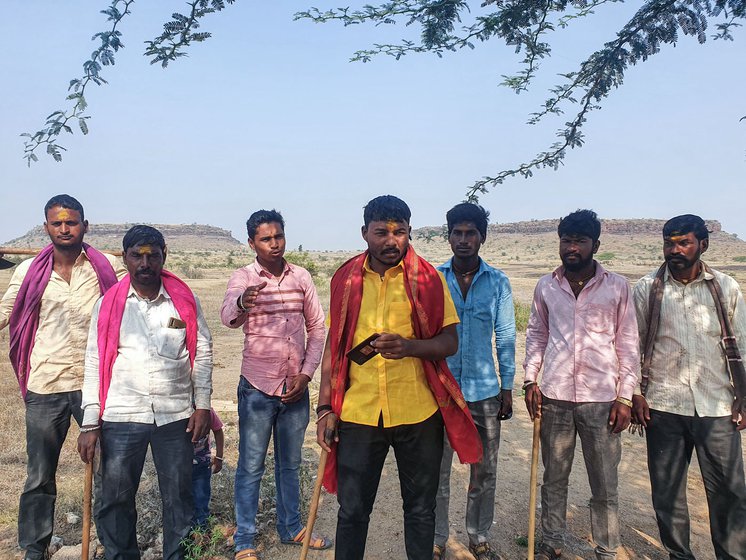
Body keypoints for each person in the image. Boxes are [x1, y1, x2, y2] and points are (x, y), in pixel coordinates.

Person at [316, 195, 482, 560]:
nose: (391, 241)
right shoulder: (345, 279)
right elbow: (335, 346)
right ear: (364, 233)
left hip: (418, 412)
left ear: (410, 232)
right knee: (353, 511)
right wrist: (325, 407)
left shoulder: (430, 279)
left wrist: (409, 347)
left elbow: (449, 342)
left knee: (421, 511)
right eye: (381, 233)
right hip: (359, 414)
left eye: (400, 232)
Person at [77, 225, 213, 560]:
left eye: (153, 255)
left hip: (176, 415)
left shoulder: (183, 301)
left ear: (164, 255)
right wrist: (90, 423)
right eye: (137, 255)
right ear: (125, 258)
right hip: (122, 415)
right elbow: (94, 361)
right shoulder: (109, 305)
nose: (145, 262)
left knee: (179, 498)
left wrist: (203, 406)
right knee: (115, 499)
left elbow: (204, 351)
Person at [0, 194, 123, 560]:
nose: (65, 228)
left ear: (85, 225)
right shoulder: (27, 272)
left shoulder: (107, 267)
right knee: (39, 476)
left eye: (72, 222)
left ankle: (109, 542)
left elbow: (134, 297)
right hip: (46, 383)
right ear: (46, 227)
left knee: (106, 470)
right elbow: (7, 311)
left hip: (95, 385)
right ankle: (34, 548)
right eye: (57, 223)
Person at [523, 209, 639, 560]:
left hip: (602, 400)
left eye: (579, 241)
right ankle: (551, 543)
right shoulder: (546, 286)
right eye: (566, 240)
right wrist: (530, 380)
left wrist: (626, 397)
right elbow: (537, 334)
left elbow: (628, 343)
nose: (572, 248)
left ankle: (606, 548)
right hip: (555, 396)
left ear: (595, 245)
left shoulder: (618, 286)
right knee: (554, 478)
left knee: (604, 483)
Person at [632, 214, 746, 560]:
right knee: (667, 494)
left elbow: (741, 344)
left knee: (729, 492)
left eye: (684, 242)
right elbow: (632, 345)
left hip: (717, 406)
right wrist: (636, 392)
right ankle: (678, 555)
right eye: (669, 243)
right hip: (664, 404)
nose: (675, 250)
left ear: (703, 245)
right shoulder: (647, 288)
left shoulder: (725, 287)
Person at [220, 210, 329, 560]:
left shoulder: (301, 277)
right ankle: (245, 540)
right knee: (251, 465)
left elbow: (317, 328)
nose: (274, 244)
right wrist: (242, 302)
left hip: (295, 388)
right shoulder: (243, 278)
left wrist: (307, 373)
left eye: (278, 236)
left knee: (290, 464)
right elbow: (227, 317)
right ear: (252, 243)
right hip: (257, 388)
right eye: (266, 239)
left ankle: (292, 527)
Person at [433, 203, 516, 560]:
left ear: (482, 237)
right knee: (435, 471)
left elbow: (506, 335)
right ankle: (435, 539)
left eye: (470, 233)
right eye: (457, 233)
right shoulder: (434, 279)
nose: (463, 240)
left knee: (484, 469)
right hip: (442, 390)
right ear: (448, 235)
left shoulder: (498, 282)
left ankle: (478, 534)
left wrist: (507, 387)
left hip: (485, 392)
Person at [191, 407, 225, 531]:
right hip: (179, 466)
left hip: (202, 464)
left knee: (201, 498)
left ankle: (201, 532)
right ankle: (186, 534)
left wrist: (219, 457)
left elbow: (218, 430)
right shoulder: (176, 410)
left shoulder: (206, 411)